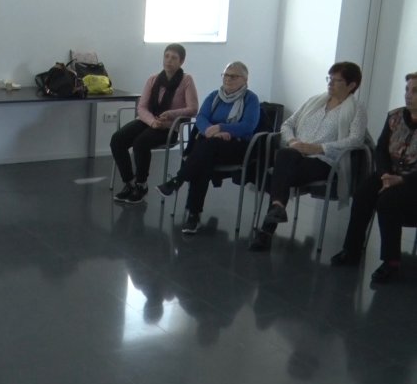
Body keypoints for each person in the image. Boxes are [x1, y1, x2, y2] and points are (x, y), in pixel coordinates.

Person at [249, 62, 368, 251]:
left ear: (351, 85)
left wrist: (318, 148)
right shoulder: (315, 101)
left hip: (324, 161)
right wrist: (293, 141)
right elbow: (287, 125)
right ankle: (274, 213)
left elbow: (356, 140)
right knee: (286, 155)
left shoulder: (356, 109)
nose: (330, 83)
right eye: (329, 78)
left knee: (281, 169)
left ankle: (269, 226)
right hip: (294, 155)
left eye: (337, 80)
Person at [330, 72, 417, 283]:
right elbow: (381, 150)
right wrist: (385, 174)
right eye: (407, 89)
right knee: (364, 192)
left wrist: (402, 180)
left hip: (413, 182)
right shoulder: (395, 116)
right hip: (390, 174)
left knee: (387, 200)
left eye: (415, 91)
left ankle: (391, 262)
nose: (408, 95)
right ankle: (351, 250)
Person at [155, 61, 260, 234]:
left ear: (245, 80)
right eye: (225, 75)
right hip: (211, 144)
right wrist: (212, 131)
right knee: (204, 159)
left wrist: (221, 128)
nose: (228, 79)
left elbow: (248, 126)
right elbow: (202, 117)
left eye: (233, 76)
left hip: (237, 147)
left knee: (203, 151)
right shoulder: (214, 96)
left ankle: (178, 183)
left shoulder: (251, 99)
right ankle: (192, 214)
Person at [110, 44, 199, 204]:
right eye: (166, 56)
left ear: (181, 61)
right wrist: (152, 122)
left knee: (140, 143)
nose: (169, 61)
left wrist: (170, 114)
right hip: (149, 121)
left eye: (174, 58)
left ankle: (141, 185)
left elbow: (193, 109)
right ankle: (129, 183)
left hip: (169, 127)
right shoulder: (153, 79)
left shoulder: (186, 80)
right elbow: (142, 107)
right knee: (117, 139)